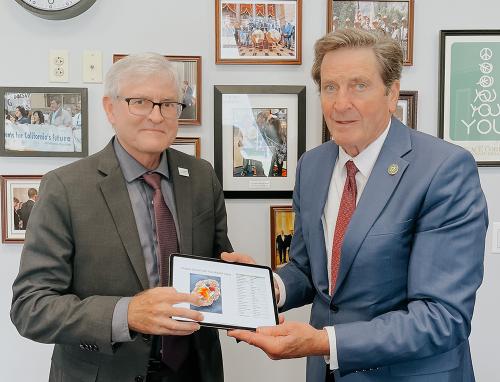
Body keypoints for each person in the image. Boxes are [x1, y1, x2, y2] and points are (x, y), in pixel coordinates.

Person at [226, 28, 488, 382]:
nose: (340, 103)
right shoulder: (312, 165)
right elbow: (310, 270)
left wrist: (324, 341)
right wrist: (266, 286)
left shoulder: (444, 169)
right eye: (331, 87)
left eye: (359, 85)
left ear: (391, 92)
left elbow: (442, 317)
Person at [11, 52, 232, 382]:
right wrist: (125, 313)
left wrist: (237, 278)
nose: (156, 116)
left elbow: (214, 267)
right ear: (110, 108)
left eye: (168, 104)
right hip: (104, 372)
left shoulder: (200, 176)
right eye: (140, 101)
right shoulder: (65, 187)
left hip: (195, 369)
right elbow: (31, 307)